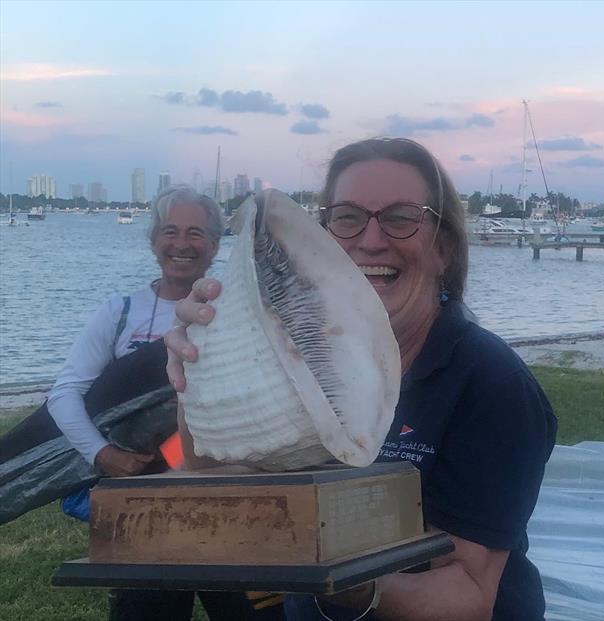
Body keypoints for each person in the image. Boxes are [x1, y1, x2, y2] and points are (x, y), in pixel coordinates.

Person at [167, 138, 557, 621]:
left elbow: (470, 595)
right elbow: (209, 474)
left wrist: (345, 580)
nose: (371, 241)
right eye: (348, 217)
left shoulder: (490, 382)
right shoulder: (299, 357)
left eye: (401, 217)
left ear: (444, 248)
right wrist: (197, 371)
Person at [47, 185, 256, 621]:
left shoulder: (245, 313)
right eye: (170, 231)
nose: (181, 244)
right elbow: (64, 393)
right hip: (144, 505)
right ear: (153, 241)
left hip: (233, 497)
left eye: (196, 233)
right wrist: (104, 455)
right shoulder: (120, 312)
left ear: (216, 244)